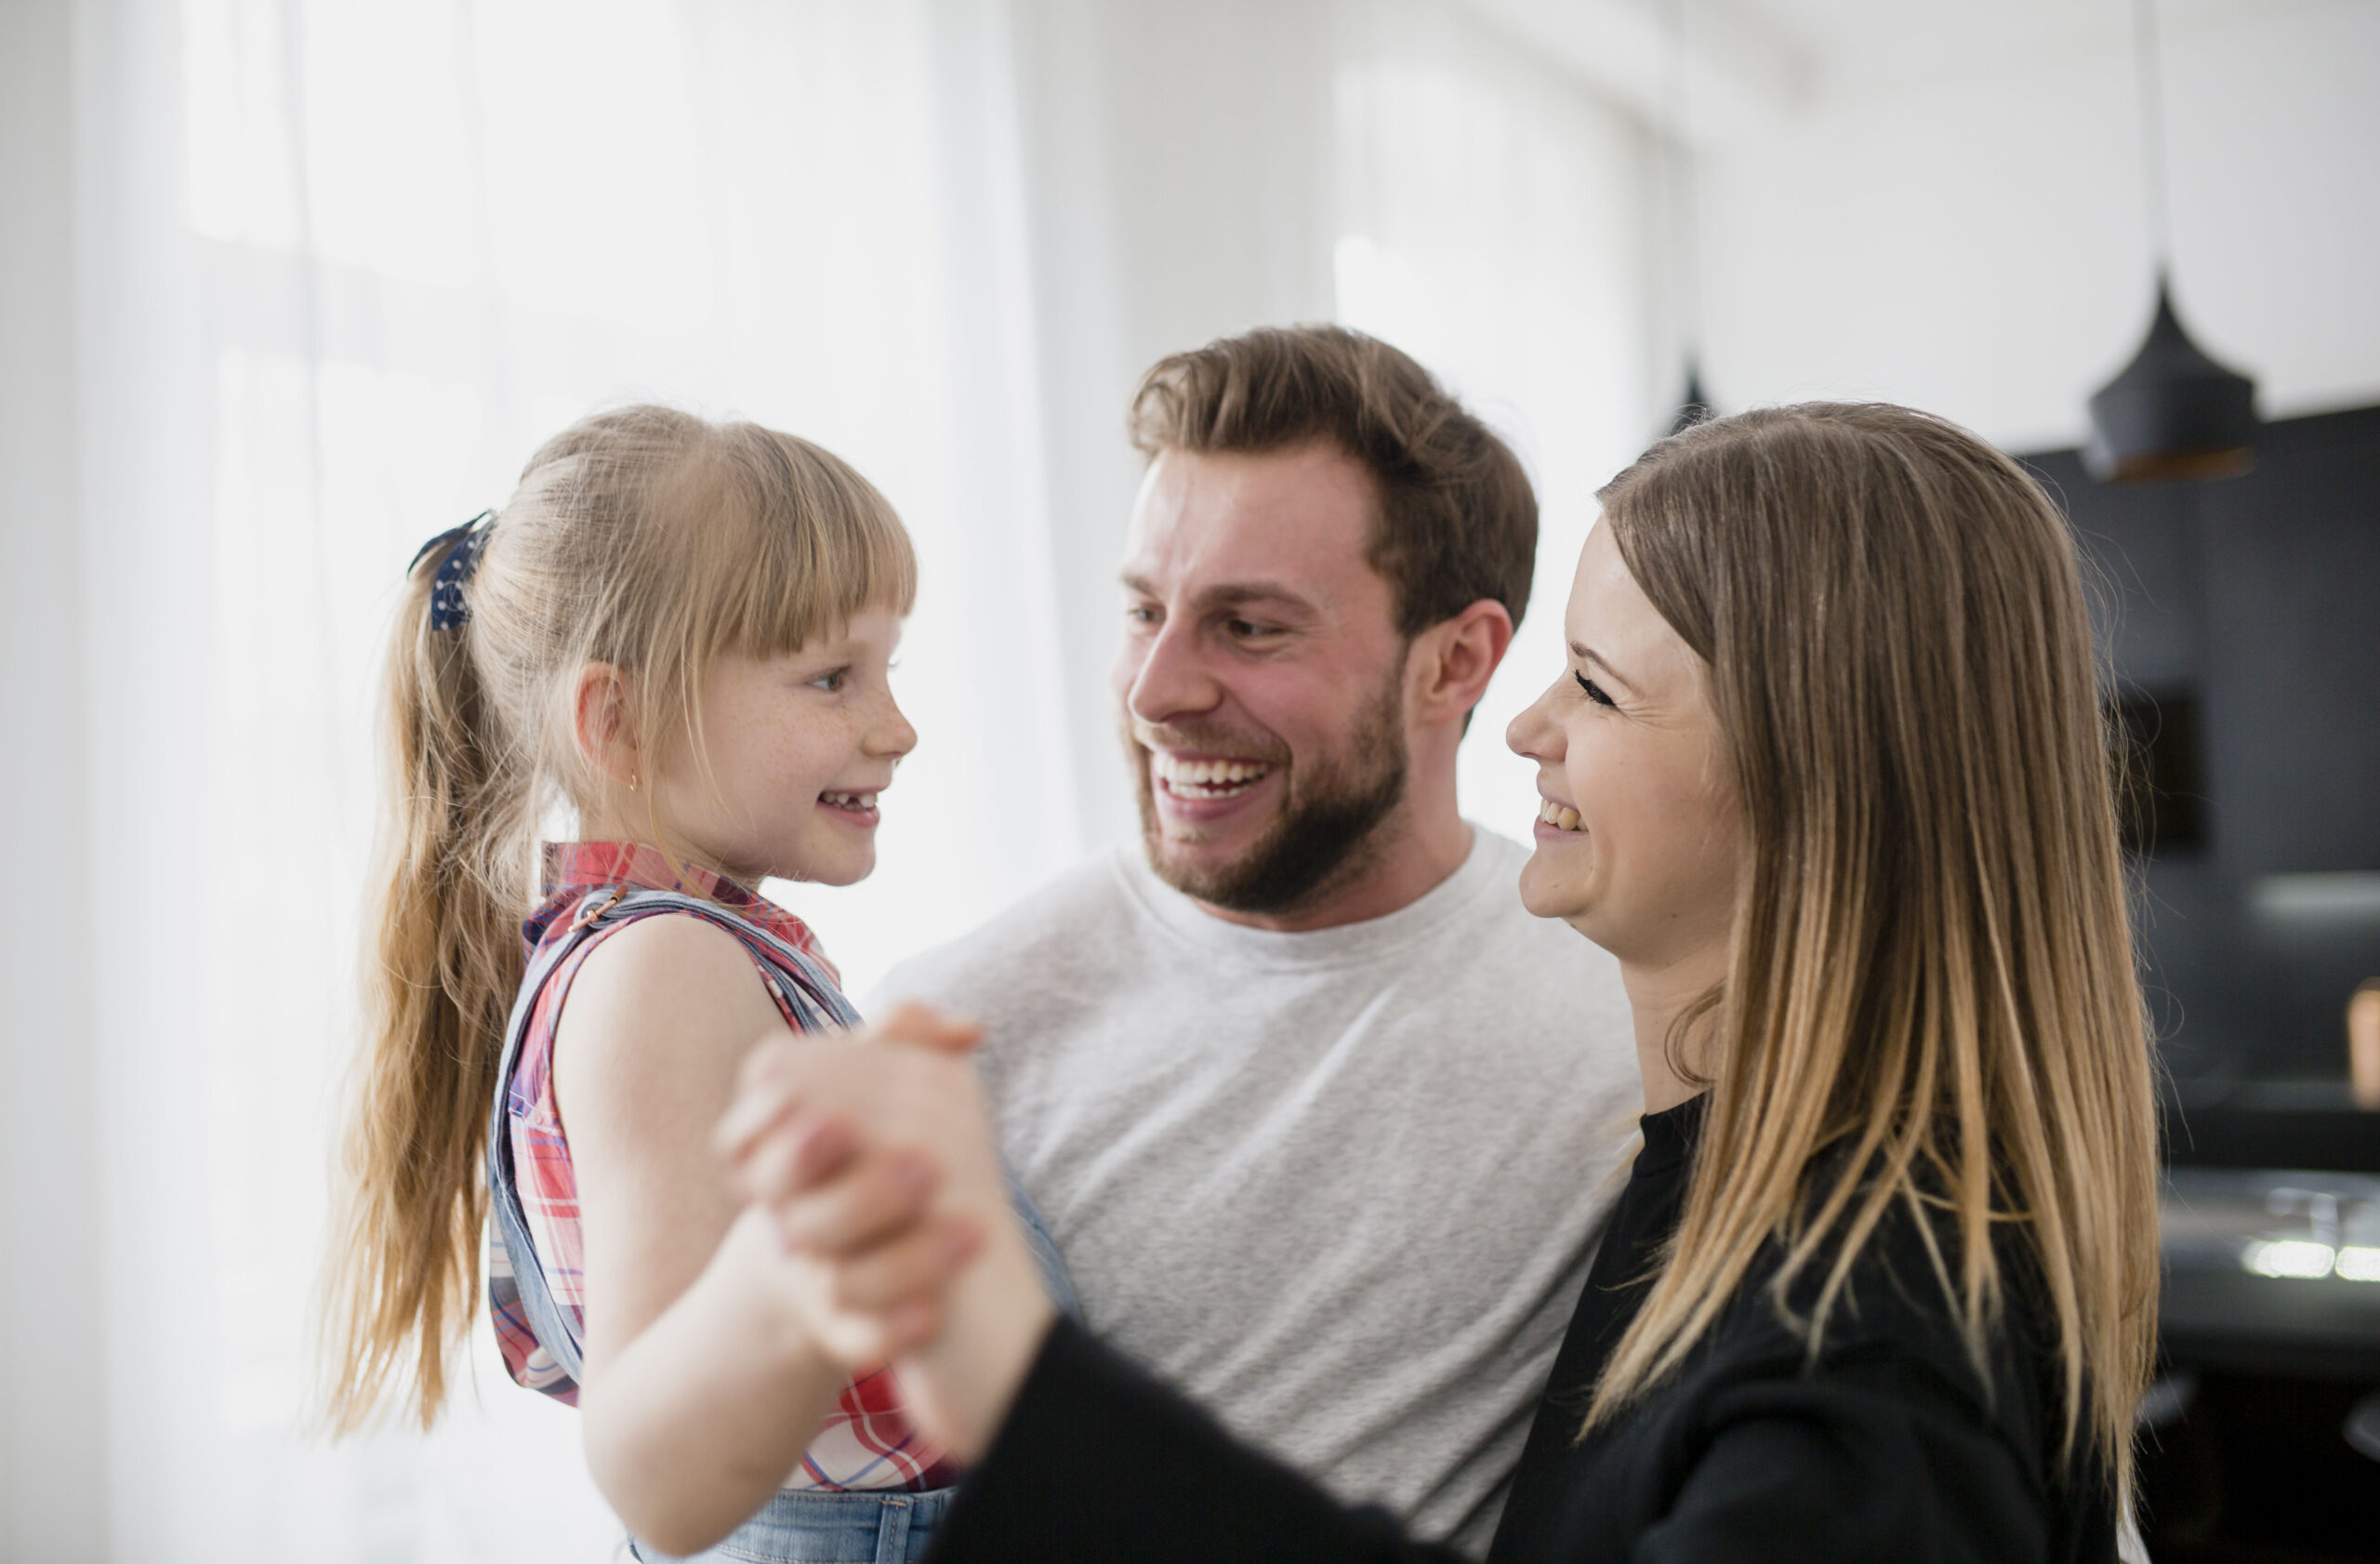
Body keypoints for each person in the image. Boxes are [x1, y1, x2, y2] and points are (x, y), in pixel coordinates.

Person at [721, 401, 2162, 1562]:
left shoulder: (1882, 1303)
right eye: (1145, 606)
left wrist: (1023, 1386)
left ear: (1814, 783)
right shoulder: (1712, 1177)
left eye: (1595, 685)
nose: (1529, 724)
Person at [867, 325, 1640, 1553]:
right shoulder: (953, 1024)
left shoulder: (1630, 1012)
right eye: (1143, 609)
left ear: (1457, 659)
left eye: (1250, 625)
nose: (1156, 688)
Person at [317, 405, 1073, 1564]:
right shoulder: (662, 969)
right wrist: (837, 1240)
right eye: (831, 678)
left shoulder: (671, 952)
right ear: (617, 721)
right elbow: (662, 1477)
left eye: (887, 670)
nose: (899, 727)